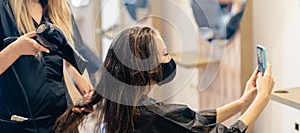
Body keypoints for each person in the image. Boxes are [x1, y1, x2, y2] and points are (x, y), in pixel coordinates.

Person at [55, 26, 275, 133]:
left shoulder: (122, 104)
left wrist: (242, 103)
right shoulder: (149, 114)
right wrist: (261, 100)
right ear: (147, 67)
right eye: (165, 53)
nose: (170, 58)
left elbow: (191, 120)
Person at [0, 0, 96, 132]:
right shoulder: (3, 10)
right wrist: (15, 50)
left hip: (59, 121)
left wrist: (86, 91)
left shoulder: (60, 11)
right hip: (17, 124)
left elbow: (71, 62)